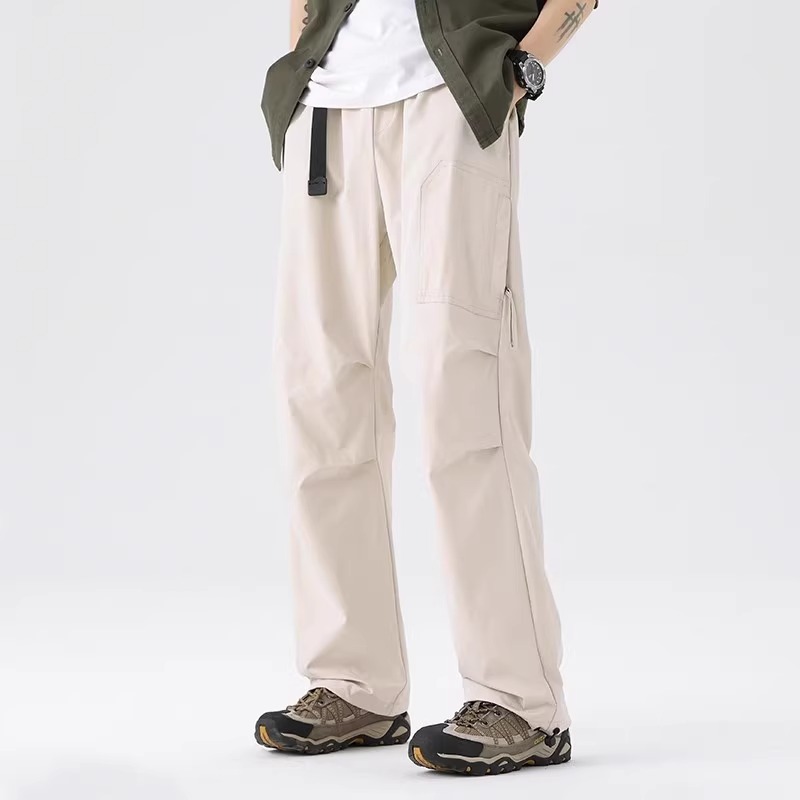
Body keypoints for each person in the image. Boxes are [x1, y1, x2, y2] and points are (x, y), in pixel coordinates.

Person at [253, 0, 597, 777]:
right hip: (327, 111)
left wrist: (521, 70)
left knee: (462, 385)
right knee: (319, 391)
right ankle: (355, 681)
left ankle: (521, 700)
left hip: (450, 98)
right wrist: (306, 58)